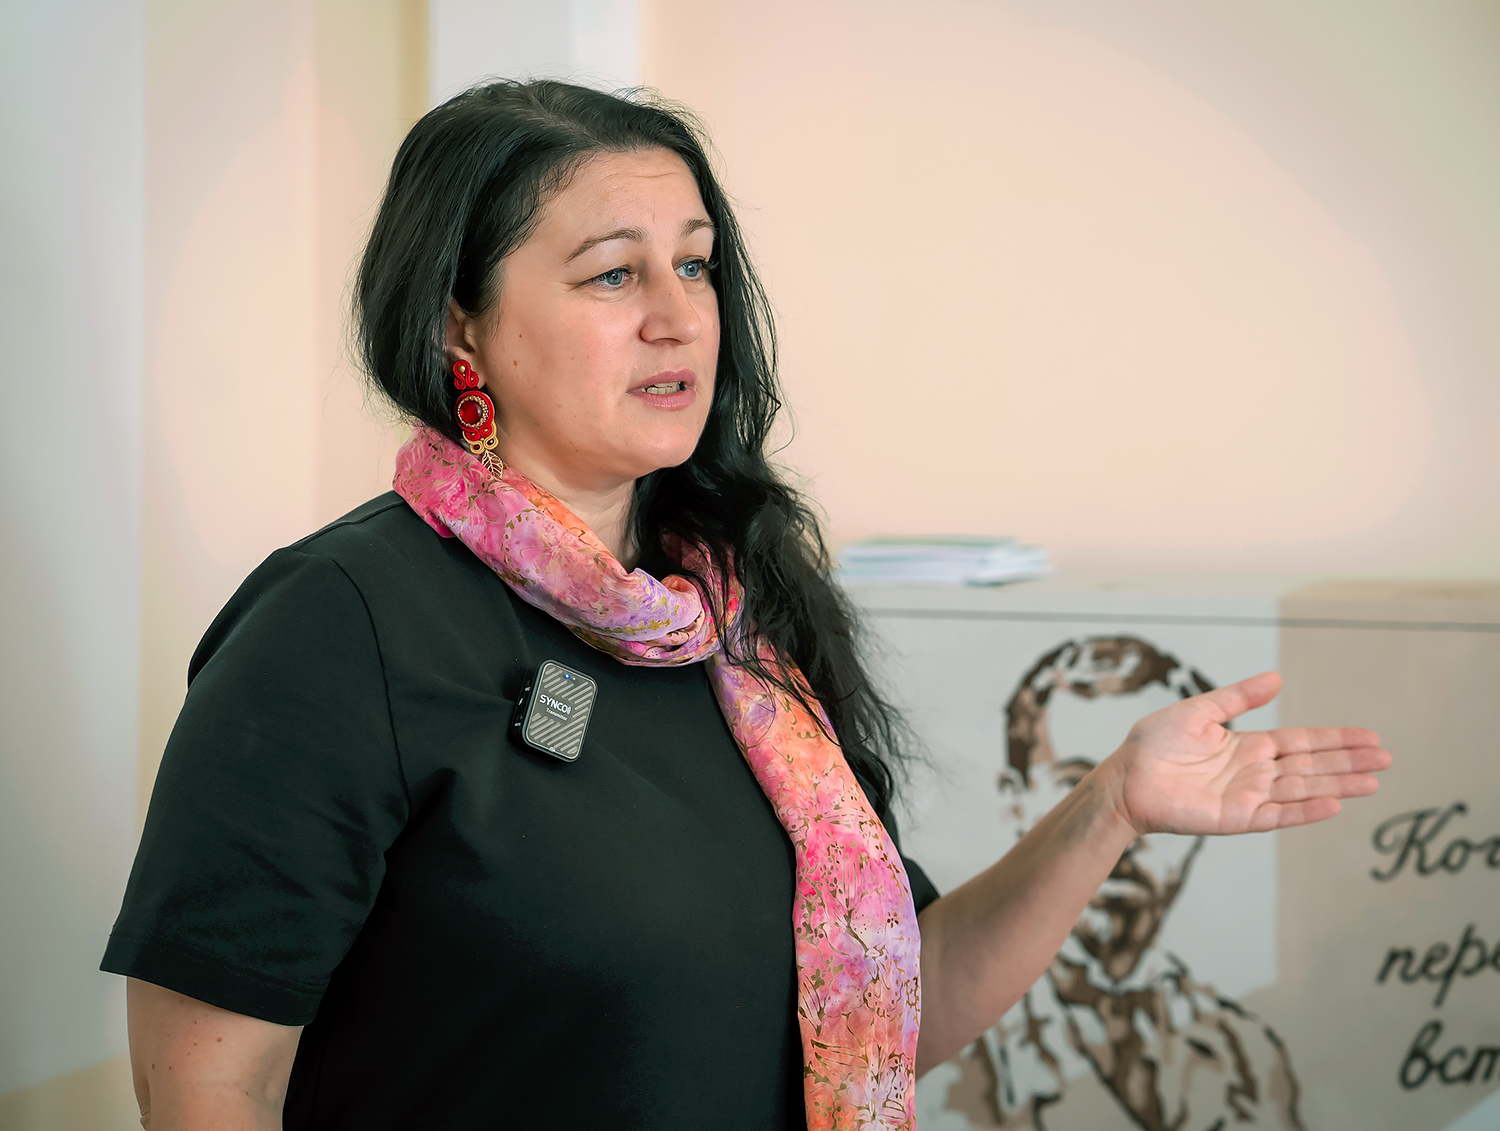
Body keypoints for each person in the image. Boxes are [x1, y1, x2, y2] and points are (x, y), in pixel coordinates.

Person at [101, 80, 1390, 1131]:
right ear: (460, 328)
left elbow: (893, 1008)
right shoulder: (340, 623)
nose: (679, 318)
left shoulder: (738, 622)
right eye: (613, 276)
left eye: (697, 265)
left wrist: (1109, 807)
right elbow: (208, 1086)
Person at [936, 636, 1303, 1130]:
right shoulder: (941, 1040)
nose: (1130, 831)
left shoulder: (1248, 1056)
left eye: (1172, 787)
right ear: (1014, 802)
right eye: (1079, 787)